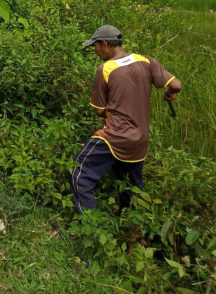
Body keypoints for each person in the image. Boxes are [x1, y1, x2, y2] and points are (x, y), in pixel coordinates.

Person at [70, 25, 182, 214]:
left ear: (105, 43)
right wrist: (169, 93)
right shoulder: (146, 61)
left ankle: (91, 226)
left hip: (115, 136)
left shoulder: (105, 69)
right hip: (140, 139)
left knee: (79, 172)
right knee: (132, 187)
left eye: (95, 46)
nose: (95, 51)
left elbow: (99, 111)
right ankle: (132, 229)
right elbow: (176, 85)